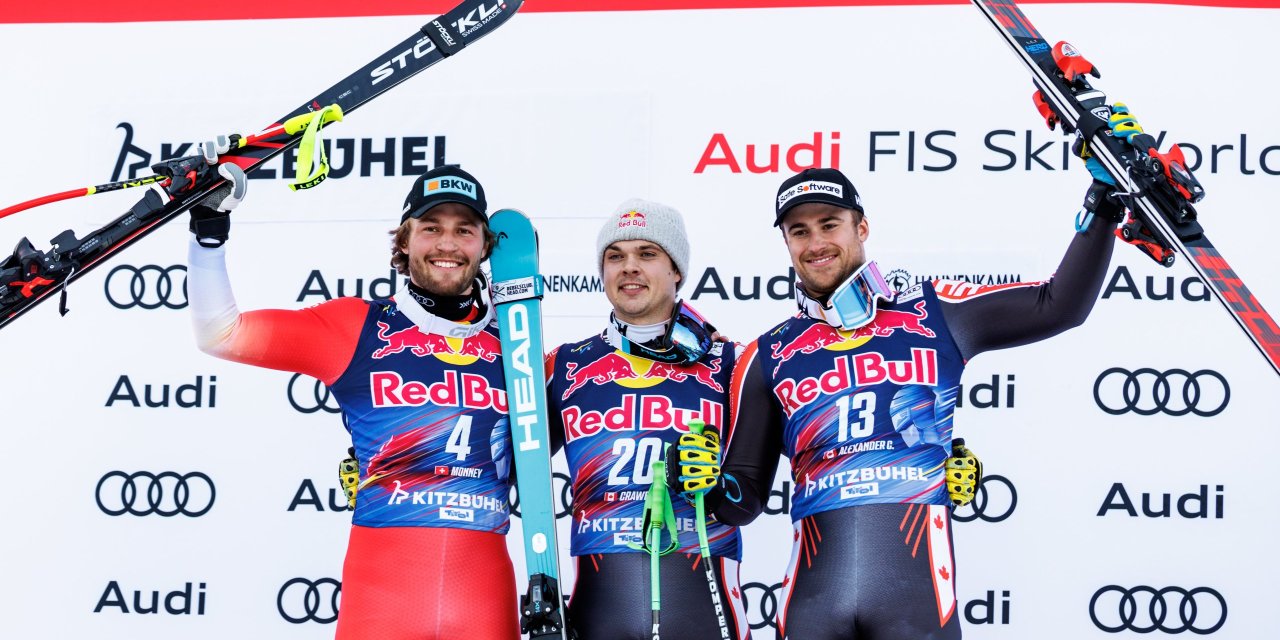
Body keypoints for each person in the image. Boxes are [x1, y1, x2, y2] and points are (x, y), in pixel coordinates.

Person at [667, 107, 1142, 638]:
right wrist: (702, 482)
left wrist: (1102, 206)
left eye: (830, 224)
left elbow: (1059, 306)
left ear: (862, 227)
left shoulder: (934, 313)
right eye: (798, 231)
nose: (815, 242)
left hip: (917, 605)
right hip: (811, 608)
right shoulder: (768, 353)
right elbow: (745, 499)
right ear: (786, 244)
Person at [185, 150, 518, 639]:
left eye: (464, 229)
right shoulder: (357, 327)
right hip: (383, 600)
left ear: (484, 246)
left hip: (484, 597)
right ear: (404, 240)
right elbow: (220, 333)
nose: (447, 243)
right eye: (431, 227)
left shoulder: (517, 347)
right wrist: (209, 230)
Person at [544, 199, 749, 638]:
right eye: (615, 257)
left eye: (647, 254)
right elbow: (501, 460)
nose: (629, 267)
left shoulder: (731, 364)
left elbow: (791, 466)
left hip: (703, 612)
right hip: (599, 614)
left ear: (676, 270)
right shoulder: (564, 365)